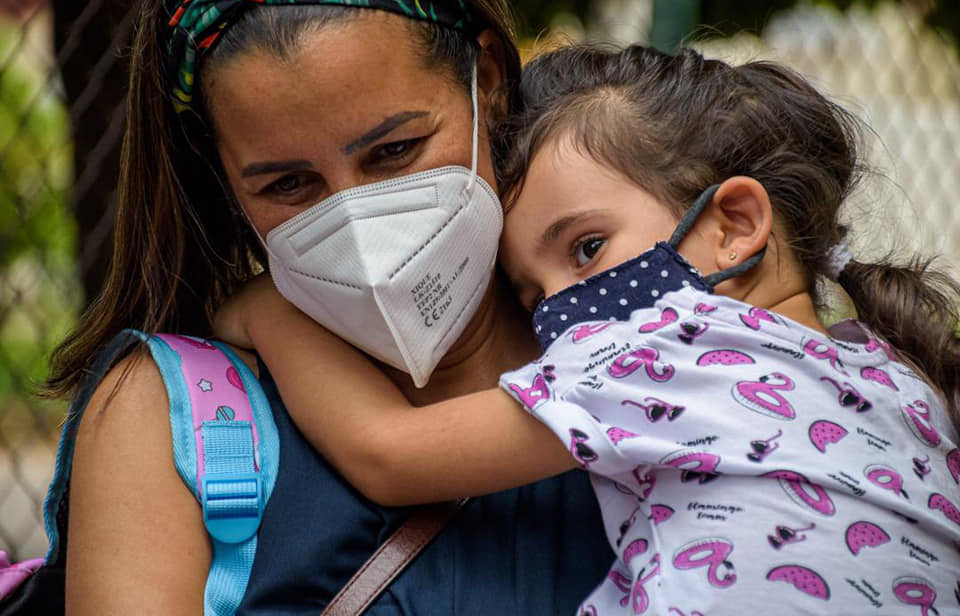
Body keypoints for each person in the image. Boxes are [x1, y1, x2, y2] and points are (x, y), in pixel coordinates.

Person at [216, 44, 960, 615]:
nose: (557, 313)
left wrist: (268, 314)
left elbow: (388, 454)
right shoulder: (898, 377)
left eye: (587, 249)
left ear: (733, 225)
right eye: (530, 291)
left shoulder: (669, 348)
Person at [40, 0, 612, 613]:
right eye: (289, 185)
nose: (357, 228)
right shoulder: (168, 420)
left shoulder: (663, 354)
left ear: (487, 79)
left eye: (395, 150)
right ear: (221, 170)